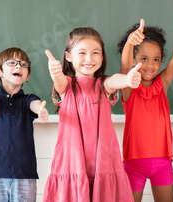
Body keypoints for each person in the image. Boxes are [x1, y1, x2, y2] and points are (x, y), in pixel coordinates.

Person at [43, 27, 141, 202]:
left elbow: (115, 80)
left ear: (102, 57)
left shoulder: (103, 84)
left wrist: (127, 80)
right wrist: (55, 73)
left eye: (96, 53)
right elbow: (59, 82)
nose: (89, 59)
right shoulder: (66, 85)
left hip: (103, 160)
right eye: (82, 53)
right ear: (68, 56)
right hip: (72, 160)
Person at [117, 18, 173, 202]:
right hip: (134, 164)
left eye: (156, 60)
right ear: (134, 59)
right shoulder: (128, 86)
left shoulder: (162, 84)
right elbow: (124, 66)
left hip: (163, 164)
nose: (151, 65)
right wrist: (130, 42)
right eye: (144, 59)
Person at [0, 47, 49, 202]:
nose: (18, 66)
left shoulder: (28, 99)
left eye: (23, 64)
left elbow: (35, 105)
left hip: (23, 175)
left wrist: (41, 111)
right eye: (12, 63)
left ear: (27, 75)